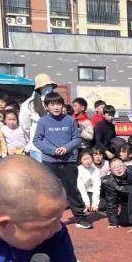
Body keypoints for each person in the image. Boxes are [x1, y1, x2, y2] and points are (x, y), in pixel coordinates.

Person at [33, 91, 89, 229]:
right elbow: (37, 140)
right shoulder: (43, 121)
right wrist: (52, 151)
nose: (56, 107)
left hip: (68, 160)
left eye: (58, 104)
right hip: (49, 161)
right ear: (47, 107)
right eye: (52, 104)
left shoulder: (69, 120)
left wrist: (66, 148)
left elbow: (77, 138)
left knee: (72, 189)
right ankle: (47, 219)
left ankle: (80, 218)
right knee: (48, 191)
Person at [19, 73, 58, 161]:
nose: (48, 88)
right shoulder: (29, 104)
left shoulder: (56, 102)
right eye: (45, 86)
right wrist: (32, 139)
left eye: (50, 86)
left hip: (55, 147)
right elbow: (25, 126)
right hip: (38, 148)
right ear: (39, 88)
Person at [101, 158, 132, 227]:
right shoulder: (110, 182)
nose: (118, 169)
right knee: (124, 222)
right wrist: (113, 223)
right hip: (126, 201)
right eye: (114, 168)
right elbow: (111, 203)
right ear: (111, 171)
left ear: (125, 166)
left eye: (120, 166)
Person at [76, 149, 102, 215]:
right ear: (80, 160)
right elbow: (81, 188)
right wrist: (87, 203)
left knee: (102, 205)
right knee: (80, 205)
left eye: (89, 159)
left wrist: (95, 204)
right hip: (80, 193)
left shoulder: (96, 170)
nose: (87, 161)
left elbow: (97, 188)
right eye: (85, 159)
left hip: (91, 192)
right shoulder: (78, 170)